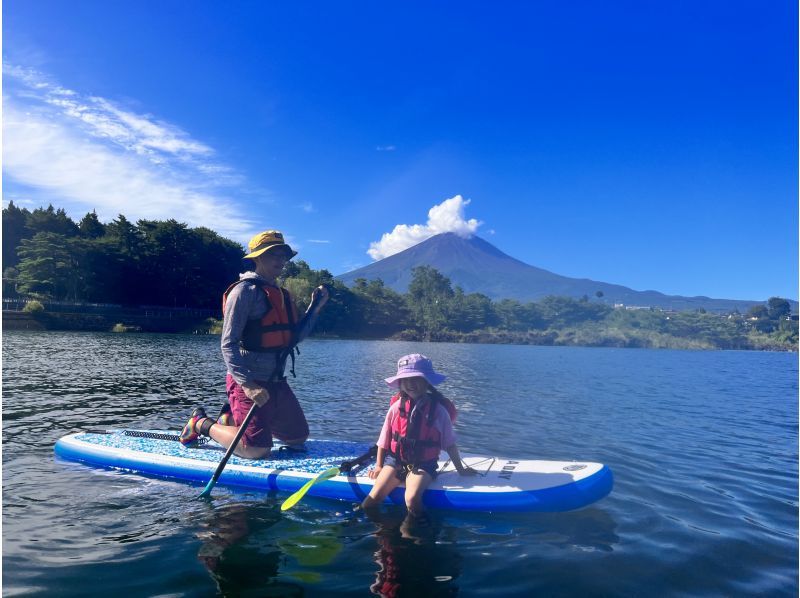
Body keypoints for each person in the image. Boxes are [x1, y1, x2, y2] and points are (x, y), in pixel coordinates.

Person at [180, 229, 329, 459]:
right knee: (256, 449)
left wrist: (315, 309)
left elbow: (293, 339)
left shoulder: (282, 293)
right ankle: (201, 423)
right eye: (273, 255)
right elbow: (228, 344)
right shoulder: (243, 292)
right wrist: (248, 385)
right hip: (248, 382)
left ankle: (228, 420)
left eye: (283, 256)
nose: (280, 260)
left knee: (298, 438)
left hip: (276, 381)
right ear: (257, 258)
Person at [360, 354, 476, 522]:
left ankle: (420, 533)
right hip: (395, 461)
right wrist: (378, 466)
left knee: (412, 499)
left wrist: (461, 469)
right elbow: (383, 440)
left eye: (416, 379)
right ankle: (381, 535)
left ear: (427, 381)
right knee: (371, 501)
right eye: (405, 379)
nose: (410, 384)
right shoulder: (395, 408)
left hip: (423, 464)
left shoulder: (438, 411)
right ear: (400, 383)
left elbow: (450, 444)